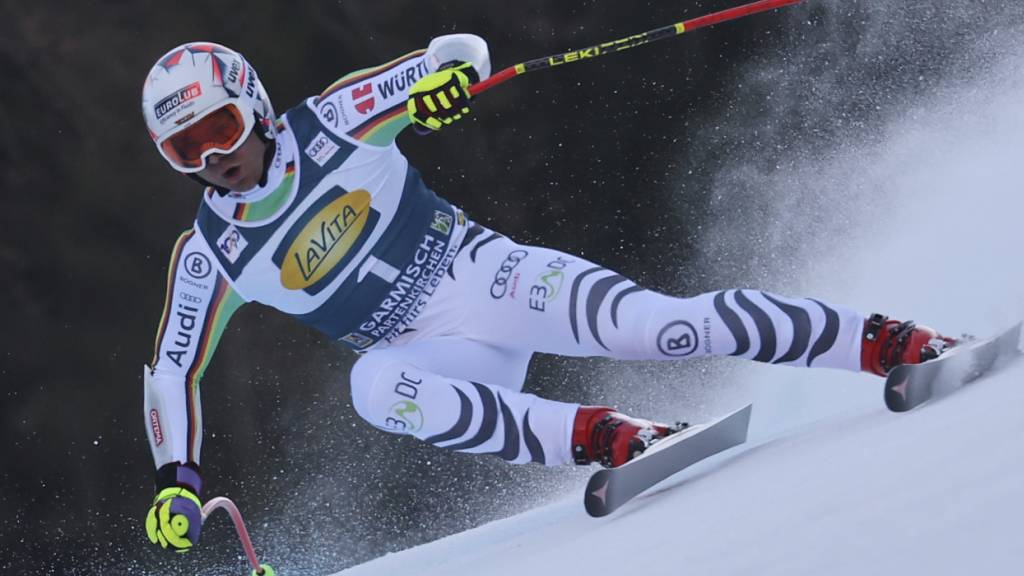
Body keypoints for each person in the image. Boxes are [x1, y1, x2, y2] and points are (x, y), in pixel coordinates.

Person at [140, 38, 956, 554]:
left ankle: (893, 342)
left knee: (661, 330)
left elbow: (452, 53)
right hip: (434, 354)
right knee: (372, 387)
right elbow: (172, 372)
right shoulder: (209, 256)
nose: (211, 156)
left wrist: (442, 87)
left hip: (484, 278)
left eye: (217, 129)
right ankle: (611, 438)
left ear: (249, 104)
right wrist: (177, 476)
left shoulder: (333, 121)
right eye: (185, 149)